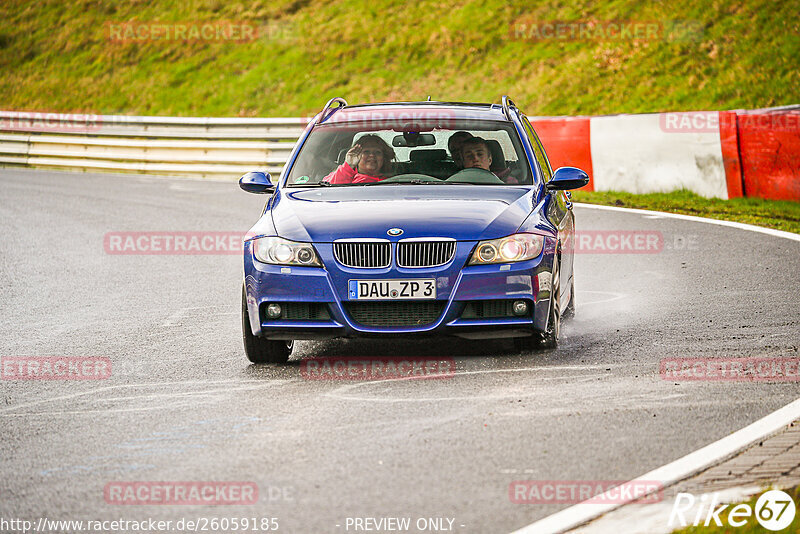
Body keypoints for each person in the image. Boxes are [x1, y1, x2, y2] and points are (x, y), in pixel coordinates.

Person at [322, 134, 395, 184]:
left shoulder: (395, 181)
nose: (372, 155)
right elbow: (329, 190)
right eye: (366, 152)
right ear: (356, 155)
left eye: (377, 152)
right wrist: (348, 166)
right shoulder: (341, 175)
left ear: (384, 157)